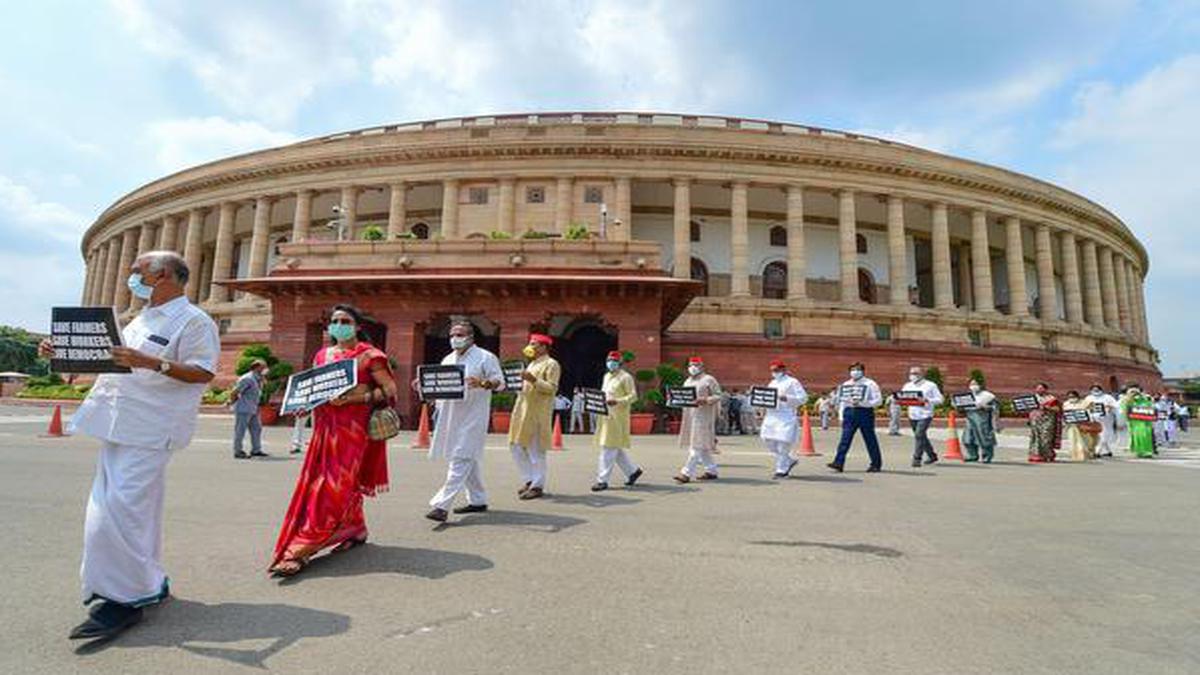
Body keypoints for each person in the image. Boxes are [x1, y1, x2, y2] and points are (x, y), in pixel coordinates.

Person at [42, 251, 220, 640]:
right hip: (118, 422)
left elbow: (204, 371)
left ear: (164, 276)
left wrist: (153, 363)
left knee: (115, 512)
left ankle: (122, 598)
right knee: (137, 511)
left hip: (152, 428)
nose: (131, 277)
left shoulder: (194, 320)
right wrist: (64, 355)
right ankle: (148, 581)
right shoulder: (139, 319)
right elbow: (112, 363)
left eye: (138, 271)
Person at [269, 304, 398, 577]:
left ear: (358, 326)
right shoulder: (322, 355)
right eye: (335, 321)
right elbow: (316, 388)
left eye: (345, 320)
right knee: (335, 483)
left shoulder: (370, 356)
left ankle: (301, 547)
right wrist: (304, 404)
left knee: (330, 487)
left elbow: (389, 390)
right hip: (324, 427)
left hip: (352, 431)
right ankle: (355, 528)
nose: (339, 325)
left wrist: (354, 398)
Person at [424, 322, 504, 522]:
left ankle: (441, 506)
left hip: (473, 416)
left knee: (460, 458)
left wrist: (483, 383)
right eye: (452, 334)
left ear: (471, 337)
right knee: (468, 458)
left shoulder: (486, 357)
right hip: (450, 415)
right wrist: (425, 387)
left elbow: (500, 382)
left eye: (460, 334)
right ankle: (478, 500)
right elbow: (442, 386)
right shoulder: (448, 359)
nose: (455, 338)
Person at [509, 333, 561, 500]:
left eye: (534, 344)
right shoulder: (531, 364)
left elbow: (552, 388)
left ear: (544, 347)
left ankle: (538, 485)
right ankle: (529, 479)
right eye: (530, 344)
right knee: (516, 446)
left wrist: (533, 380)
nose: (530, 347)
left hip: (537, 413)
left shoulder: (551, 364)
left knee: (535, 450)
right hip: (522, 410)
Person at [592, 351, 643, 491]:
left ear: (620, 363)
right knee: (614, 447)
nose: (611, 363)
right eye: (609, 360)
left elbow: (633, 396)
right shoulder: (606, 376)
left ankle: (602, 480)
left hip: (618, 417)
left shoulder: (626, 377)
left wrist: (618, 401)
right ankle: (633, 471)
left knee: (608, 448)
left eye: (614, 360)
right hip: (605, 416)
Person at [827, 362, 883, 473]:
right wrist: (840, 415)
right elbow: (842, 401)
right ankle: (838, 462)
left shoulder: (870, 384)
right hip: (849, 413)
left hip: (864, 412)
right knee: (845, 439)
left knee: (869, 439)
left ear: (863, 371)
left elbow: (878, 401)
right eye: (852, 370)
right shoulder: (846, 384)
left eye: (857, 369)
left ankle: (876, 464)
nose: (855, 372)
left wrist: (863, 403)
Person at [673, 357, 722, 483]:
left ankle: (686, 473)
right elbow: (683, 396)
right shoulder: (688, 380)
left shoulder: (708, 379)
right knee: (702, 446)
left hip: (703, 416)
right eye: (690, 365)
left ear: (701, 366)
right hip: (689, 416)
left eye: (695, 365)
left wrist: (706, 400)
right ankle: (712, 470)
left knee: (696, 445)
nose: (692, 367)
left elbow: (718, 395)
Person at [758, 360, 808, 479]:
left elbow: (803, 398)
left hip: (785, 415)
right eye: (772, 370)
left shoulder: (792, 381)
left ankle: (781, 470)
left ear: (783, 370)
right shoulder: (772, 382)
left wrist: (786, 398)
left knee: (783, 443)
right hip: (771, 415)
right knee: (767, 440)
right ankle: (789, 460)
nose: (774, 372)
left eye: (776, 370)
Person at [901, 366, 944, 468]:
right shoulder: (908, 385)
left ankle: (917, 458)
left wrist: (927, 400)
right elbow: (903, 396)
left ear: (921, 374)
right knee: (921, 436)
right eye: (911, 373)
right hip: (912, 414)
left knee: (919, 435)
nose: (913, 375)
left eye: (915, 373)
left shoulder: (930, 385)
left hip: (926, 413)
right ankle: (932, 455)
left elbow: (940, 399)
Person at [230, 358, 269, 459]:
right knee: (240, 430)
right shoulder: (247, 378)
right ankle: (238, 451)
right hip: (244, 408)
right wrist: (232, 402)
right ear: (256, 367)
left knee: (257, 429)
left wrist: (263, 379)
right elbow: (235, 392)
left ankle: (256, 450)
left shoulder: (258, 378)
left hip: (254, 408)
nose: (265, 369)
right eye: (263, 367)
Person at [961, 379, 997, 463]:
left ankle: (987, 456)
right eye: (971, 384)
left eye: (975, 384)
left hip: (982, 419)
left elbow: (995, 408)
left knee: (984, 438)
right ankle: (972, 455)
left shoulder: (988, 396)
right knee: (968, 438)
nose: (973, 386)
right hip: (970, 419)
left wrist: (986, 407)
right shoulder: (967, 396)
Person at [1027, 382, 1061, 463]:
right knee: (1035, 438)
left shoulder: (1051, 399)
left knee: (1046, 438)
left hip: (1047, 421)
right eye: (1037, 388)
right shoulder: (1033, 398)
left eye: (1041, 388)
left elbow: (1057, 409)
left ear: (1045, 389)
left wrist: (1047, 407)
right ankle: (1035, 455)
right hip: (1035, 421)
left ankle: (1047, 455)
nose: (1039, 390)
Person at [1120, 383, 1156, 458]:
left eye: (1135, 391)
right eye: (1132, 391)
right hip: (1134, 422)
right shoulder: (1127, 400)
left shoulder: (1145, 398)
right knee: (1137, 437)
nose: (1134, 393)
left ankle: (1147, 451)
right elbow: (1124, 409)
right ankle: (1139, 451)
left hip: (1145, 421)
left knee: (1146, 435)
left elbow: (1151, 407)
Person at [1084, 383, 1119, 458]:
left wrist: (1109, 407)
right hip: (1093, 419)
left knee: (1104, 434)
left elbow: (1116, 406)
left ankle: (1098, 451)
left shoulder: (1107, 397)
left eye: (1097, 389)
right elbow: (1084, 407)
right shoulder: (1089, 398)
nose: (1095, 391)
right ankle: (1108, 451)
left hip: (1106, 420)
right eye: (1094, 390)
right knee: (1097, 435)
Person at [1063, 390, 1098, 461]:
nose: (1071, 398)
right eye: (1069, 397)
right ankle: (1076, 455)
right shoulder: (1066, 404)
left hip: (1083, 425)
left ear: (1077, 396)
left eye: (1073, 396)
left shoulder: (1084, 402)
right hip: (1072, 426)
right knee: (1073, 441)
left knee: (1085, 441)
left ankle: (1086, 454)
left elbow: (1092, 407)